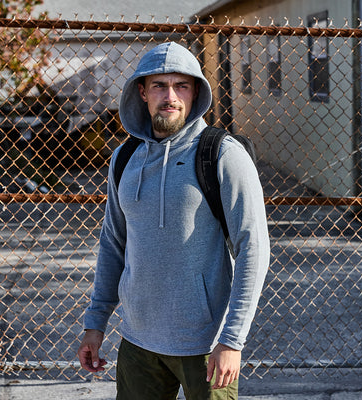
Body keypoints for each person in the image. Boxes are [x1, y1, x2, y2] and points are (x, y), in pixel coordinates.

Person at [78, 41, 270, 400]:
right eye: (159, 86)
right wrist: (95, 324)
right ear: (142, 92)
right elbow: (113, 245)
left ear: (196, 91)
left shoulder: (223, 154)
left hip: (206, 344)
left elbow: (253, 249)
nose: (170, 96)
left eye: (181, 85)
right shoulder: (124, 159)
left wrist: (232, 339)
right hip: (138, 341)